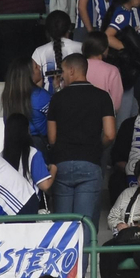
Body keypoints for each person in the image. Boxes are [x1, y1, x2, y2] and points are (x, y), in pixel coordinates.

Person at [46, 53, 117, 227]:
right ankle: (85, 255)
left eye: (62, 71)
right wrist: (96, 147)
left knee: (62, 228)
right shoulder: (102, 96)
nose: (61, 75)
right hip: (90, 163)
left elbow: (52, 138)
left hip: (61, 164)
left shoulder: (57, 98)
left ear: (71, 70)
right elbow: (110, 134)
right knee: (84, 226)